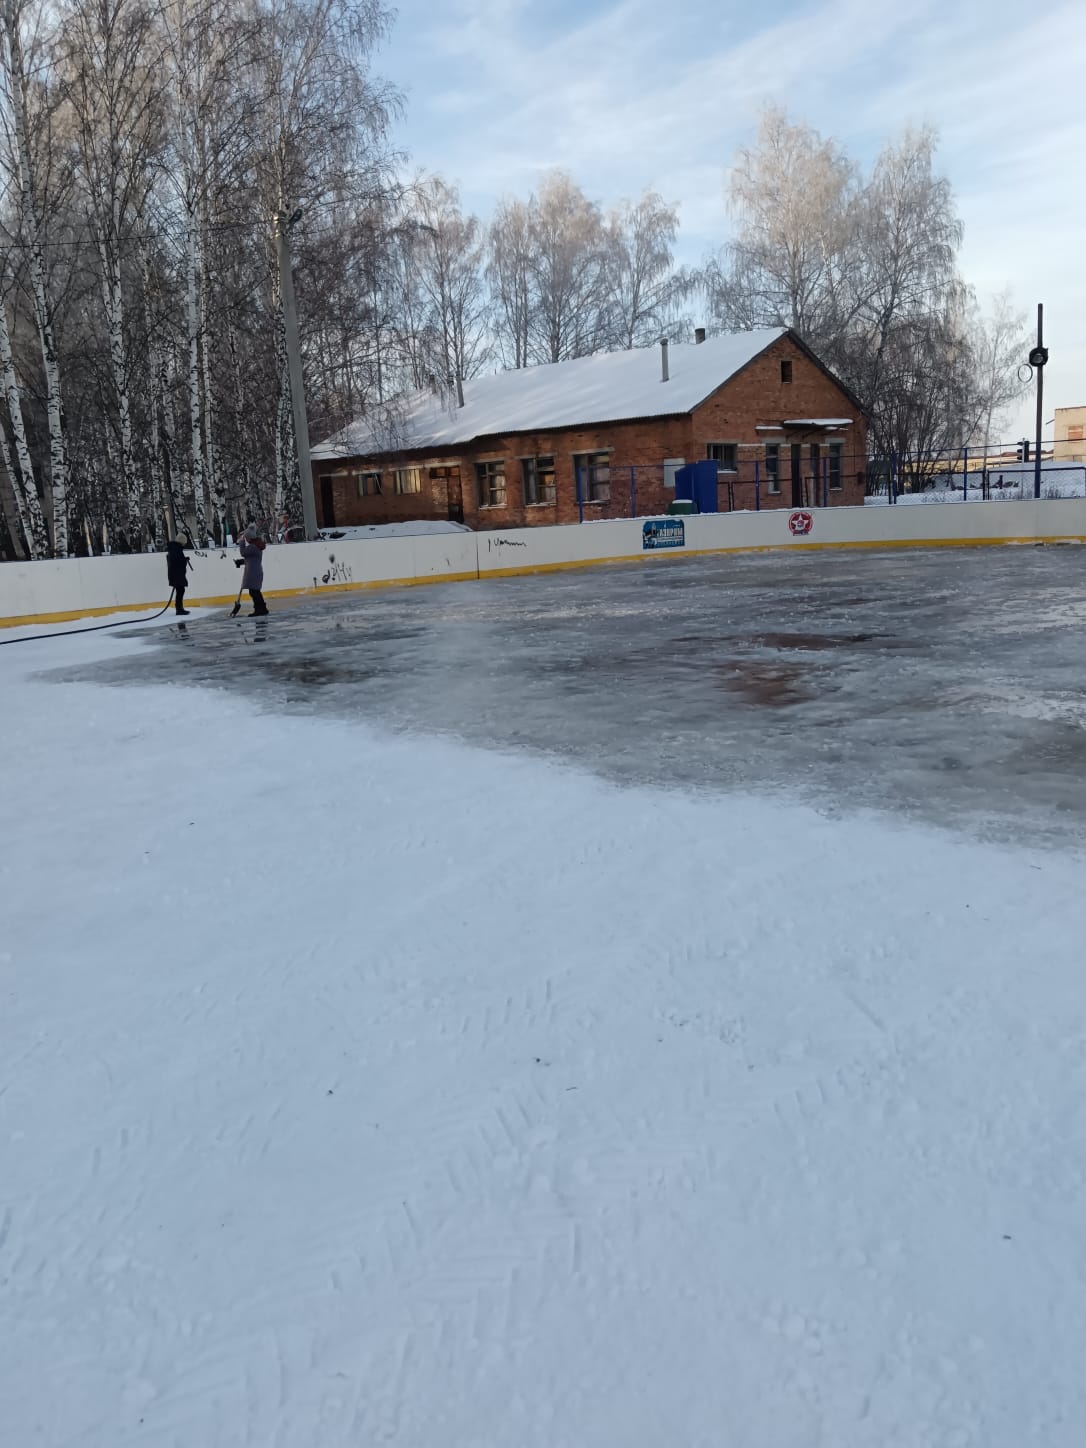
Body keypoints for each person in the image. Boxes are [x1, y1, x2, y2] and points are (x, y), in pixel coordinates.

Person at [238, 524, 268, 616]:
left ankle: (260, 609)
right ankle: (262, 608)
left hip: (253, 573)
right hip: (255, 572)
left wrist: (241, 541)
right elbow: (251, 559)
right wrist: (241, 562)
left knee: (254, 592)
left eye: (246, 538)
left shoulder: (253, 547)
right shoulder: (256, 546)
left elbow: (243, 552)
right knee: (255, 591)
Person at [165, 536, 192, 615]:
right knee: (180, 590)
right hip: (177, 574)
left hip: (175, 574)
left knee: (180, 590)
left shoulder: (174, 549)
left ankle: (179, 608)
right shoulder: (176, 550)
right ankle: (179, 609)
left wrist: (184, 559)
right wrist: (185, 560)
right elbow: (178, 562)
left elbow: (176, 560)